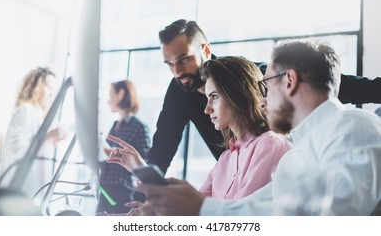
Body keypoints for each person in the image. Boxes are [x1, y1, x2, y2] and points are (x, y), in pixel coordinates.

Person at [140, 41, 381, 216]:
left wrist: (202, 209)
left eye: (266, 84)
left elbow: (334, 218)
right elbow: (252, 206)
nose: (261, 99)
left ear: (290, 81)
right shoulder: (295, 155)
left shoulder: (352, 126)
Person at [147, 19, 381, 174]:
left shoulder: (248, 75)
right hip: (236, 177)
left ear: (205, 50)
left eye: (184, 59)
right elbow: (163, 146)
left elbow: (319, 82)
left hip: (277, 167)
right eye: (169, 64)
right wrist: (144, 193)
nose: (177, 71)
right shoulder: (178, 91)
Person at [107, 57, 290, 210]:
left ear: (238, 95)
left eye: (214, 97)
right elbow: (193, 209)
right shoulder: (226, 158)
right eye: (207, 98)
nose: (206, 109)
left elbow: (237, 219)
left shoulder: (270, 145)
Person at [0, 67, 68, 203]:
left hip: (33, 196)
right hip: (16, 196)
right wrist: (48, 137)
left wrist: (51, 140)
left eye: (53, 89)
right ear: (35, 86)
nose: (51, 94)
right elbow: (20, 152)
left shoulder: (39, 116)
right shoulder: (25, 111)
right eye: (48, 86)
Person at [96, 80, 150, 214]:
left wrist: (117, 153)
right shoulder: (115, 125)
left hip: (122, 191)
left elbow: (146, 162)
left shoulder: (139, 127)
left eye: (110, 95)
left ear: (121, 94)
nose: (108, 101)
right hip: (105, 189)